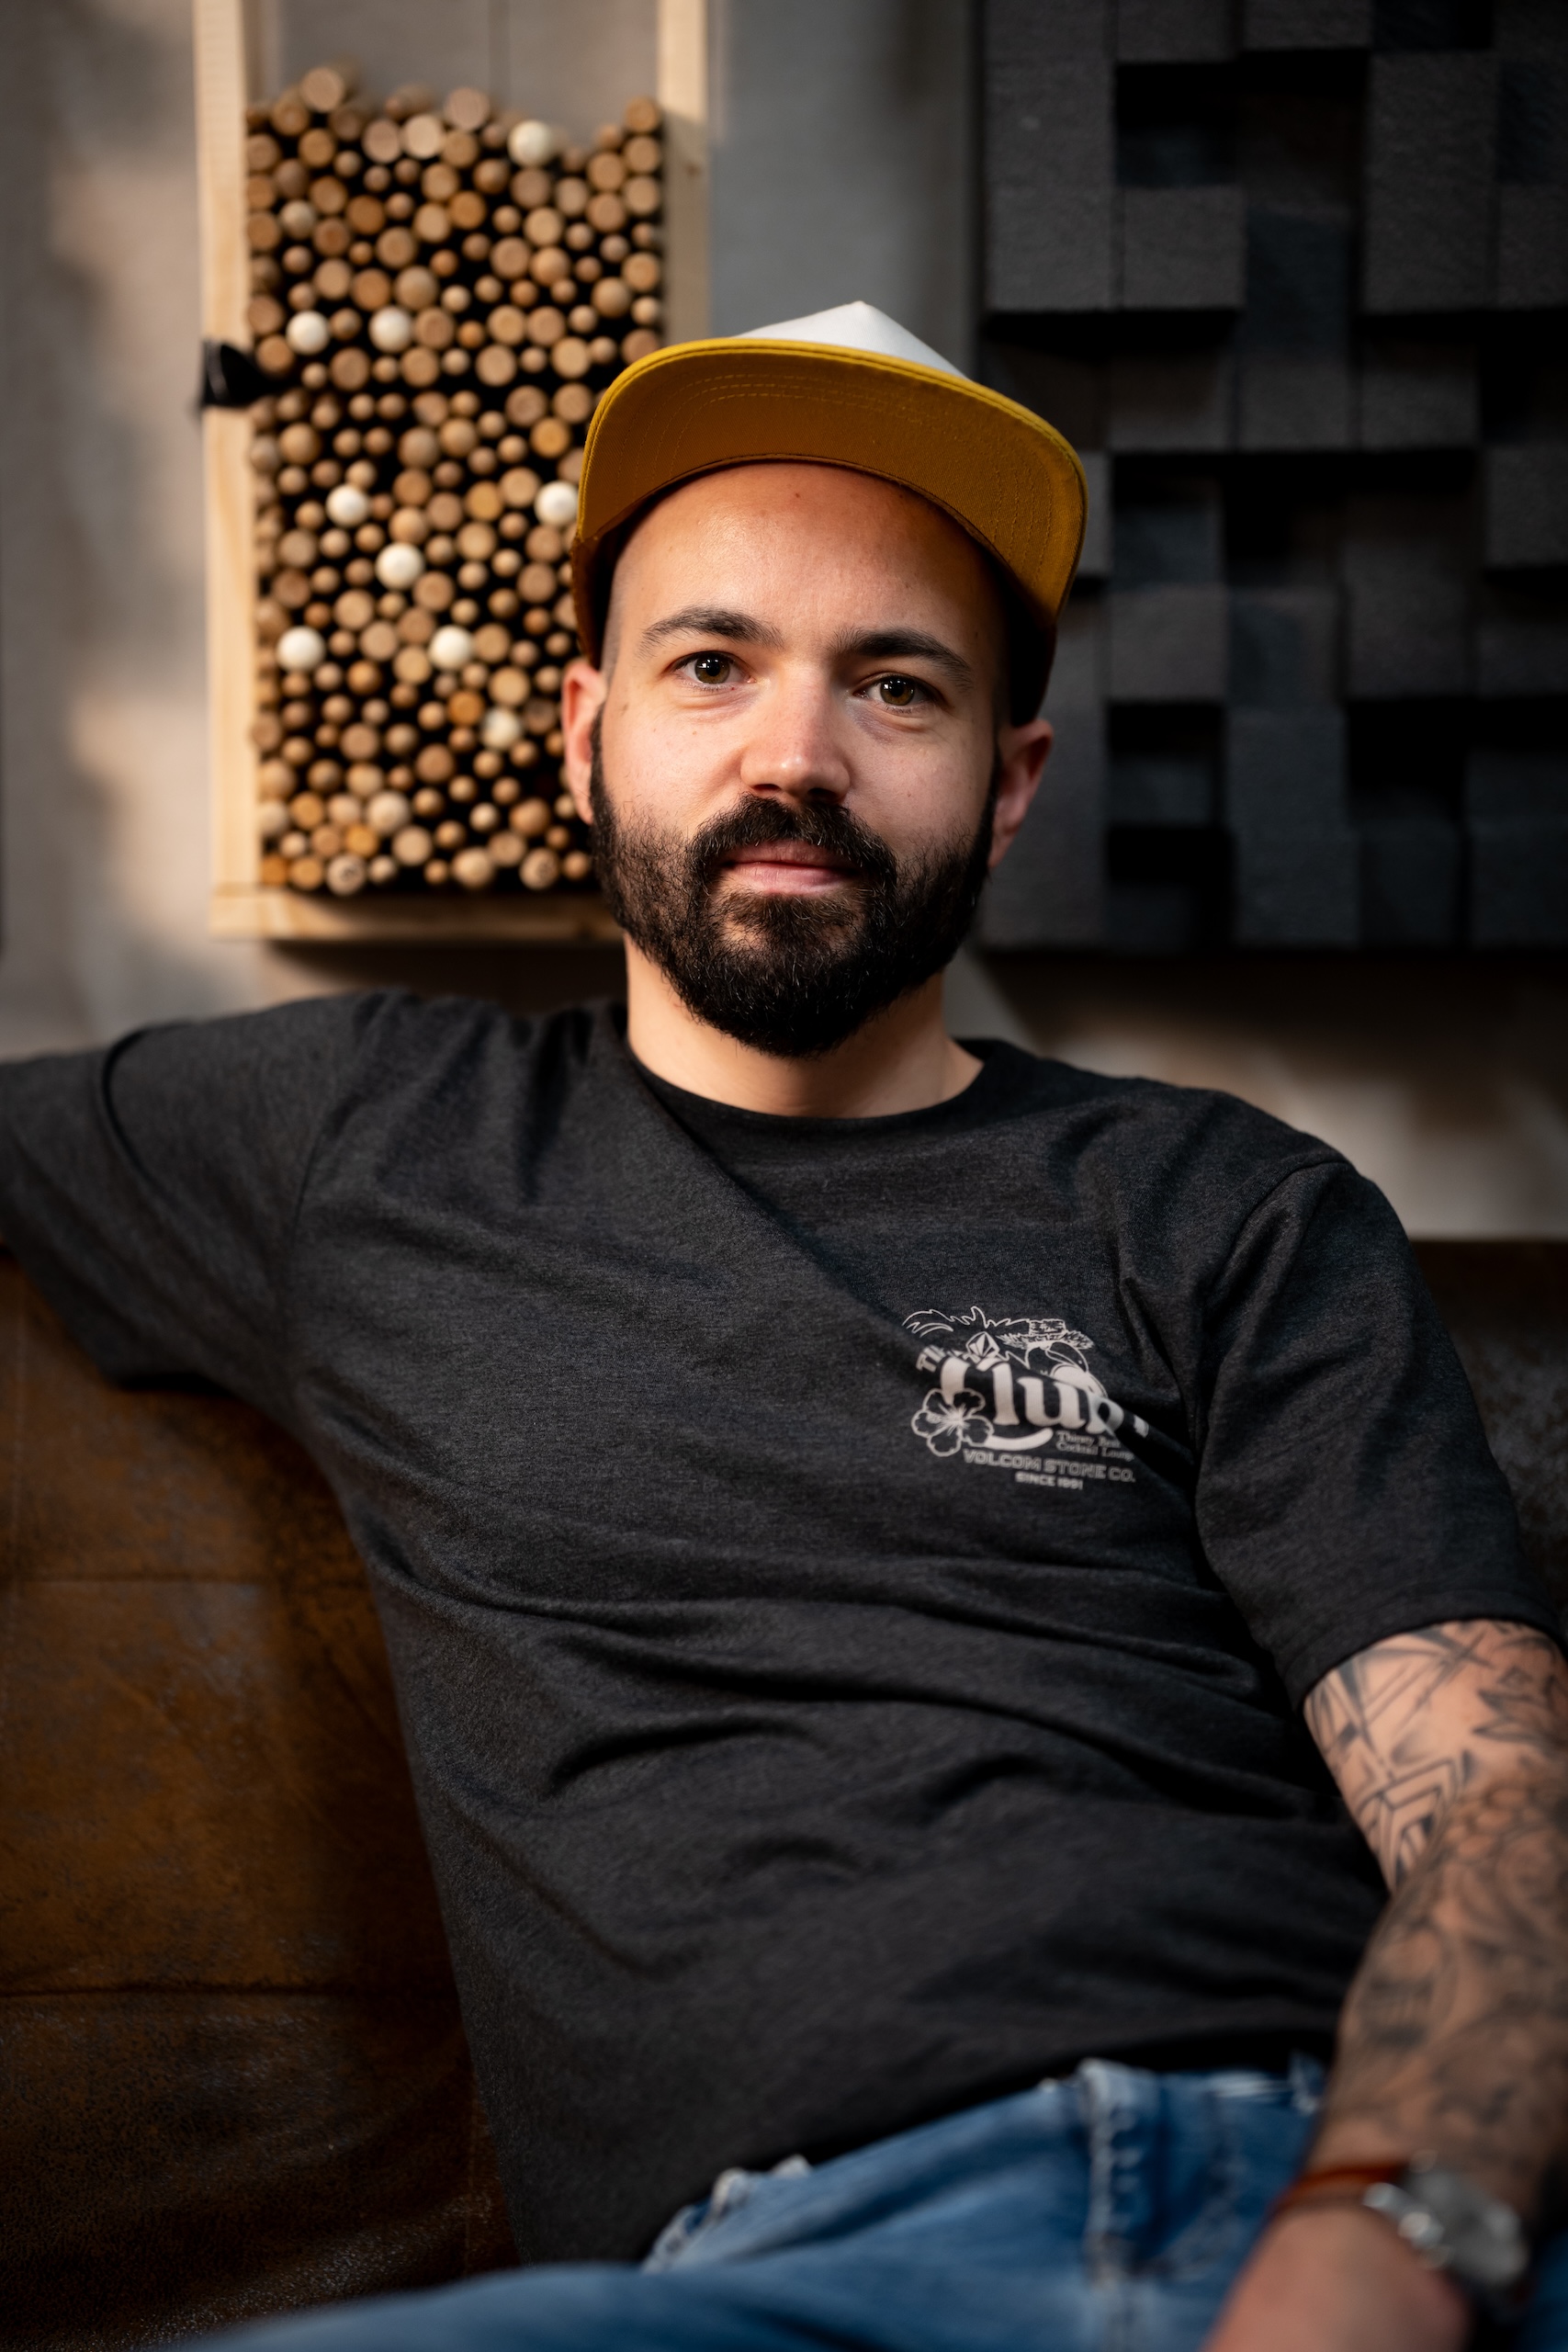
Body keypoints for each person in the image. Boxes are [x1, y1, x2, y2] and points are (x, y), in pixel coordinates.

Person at [2, 303, 1565, 2352]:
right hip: (791, 2273)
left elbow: (1495, 1797)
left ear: (1006, 784)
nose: (794, 757)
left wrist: (1393, 2228)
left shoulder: (1222, 1203)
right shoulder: (356, 1139)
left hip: (1345, 2183)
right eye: (711, 663)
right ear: (584, 728)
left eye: (894, 685)